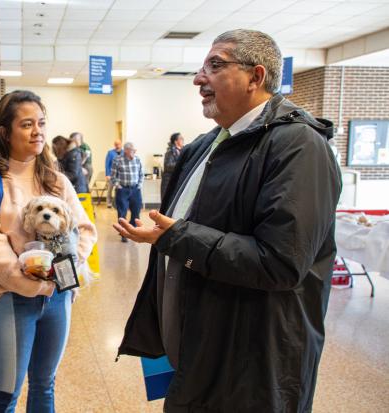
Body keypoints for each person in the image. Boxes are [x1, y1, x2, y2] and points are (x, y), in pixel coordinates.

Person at [113, 29, 341, 412]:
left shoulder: (298, 146)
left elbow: (281, 263)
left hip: (250, 368)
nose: (199, 79)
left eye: (215, 66)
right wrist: (162, 237)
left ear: (256, 77)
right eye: (202, 67)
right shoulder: (208, 144)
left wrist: (178, 238)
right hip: (197, 352)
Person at [0, 90, 97, 412]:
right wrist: (34, 284)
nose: (37, 131)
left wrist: (69, 266)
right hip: (11, 298)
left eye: (41, 123)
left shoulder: (55, 180)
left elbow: (84, 229)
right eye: (26, 124)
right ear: (4, 131)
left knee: (44, 385)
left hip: (58, 296)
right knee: (7, 391)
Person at [111, 142, 143, 243]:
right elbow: (113, 176)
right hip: (122, 190)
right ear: (126, 150)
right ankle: (123, 233)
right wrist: (118, 186)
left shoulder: (137, 160)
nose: (135, 152)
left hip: (135, 189)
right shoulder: (117, 159)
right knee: (122, 212)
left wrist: (139, 185)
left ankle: (132, 230)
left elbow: (141, 174)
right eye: (133, 150)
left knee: (136, 211)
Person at [161, 132, 184, 196]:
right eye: (181, 138)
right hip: (169, 180)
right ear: (176, 141)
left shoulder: (182, 151)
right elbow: (168, 165)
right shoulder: (170, 152)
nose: (183, 140)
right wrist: (181, 165)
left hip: (177, 180)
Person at [104, 139, 123, 208]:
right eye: (116, 144)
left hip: (121, 175)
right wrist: (107, 174)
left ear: (121, 144)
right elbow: (107, 164)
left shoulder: (124, 152)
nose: (117, 146)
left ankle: (118, 203)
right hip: (112, 175)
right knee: (110, 189)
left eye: (119, 144)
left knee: (119, 190)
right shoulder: (110, 153)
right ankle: (109, 203)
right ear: (114, 145)